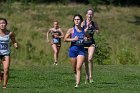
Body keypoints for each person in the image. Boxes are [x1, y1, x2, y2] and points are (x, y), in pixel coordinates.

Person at [64, 14, 85, 88]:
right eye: (75, 19)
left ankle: (77, 84)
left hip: (81, 51)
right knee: (74, 69)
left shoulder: (84, 30)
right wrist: (73, 39)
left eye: (78, 19)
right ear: (73, 21)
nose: (77, 21)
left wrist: (86, 39)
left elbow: (88, 37)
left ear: (81, 21)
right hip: (73, 50)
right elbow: (65, 39)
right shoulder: (71, 30)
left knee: (79, 67)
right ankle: (77, 80)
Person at [82, 9, 99, 84]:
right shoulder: (83, 23)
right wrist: (86, 29)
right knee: (85, 61)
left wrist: (95, 29)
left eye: (91, 14)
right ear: (86, 15)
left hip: (91, 42)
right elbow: (80, 32)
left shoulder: (94, 23)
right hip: (84, 43)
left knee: (90, 58)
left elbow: (98, 31)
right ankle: (87, 76)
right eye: (89, 14)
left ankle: (91, 76)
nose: (90, 15)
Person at [0, 18, 18, 88]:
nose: (2, 24)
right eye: (0, 23)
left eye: (3, 23)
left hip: (6, 53)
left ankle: (4, 85)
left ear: (6, 24)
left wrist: (15, 45)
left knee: (6, 69)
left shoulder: (10, 33)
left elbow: (14, 41)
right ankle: (1, 75)